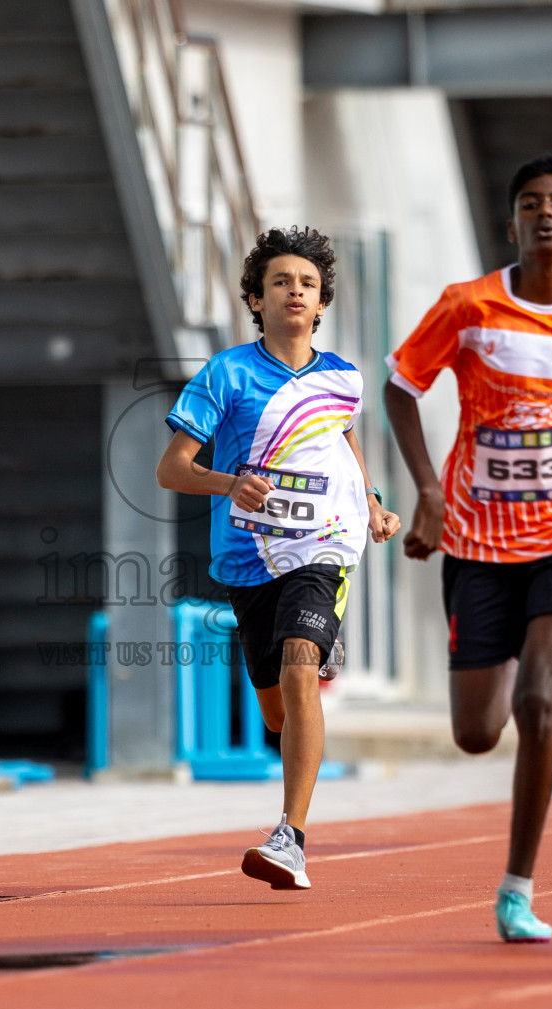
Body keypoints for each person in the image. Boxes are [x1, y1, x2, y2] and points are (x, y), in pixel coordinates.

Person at [383, 154, 552, 942]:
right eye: (531, 204)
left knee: (543, 699)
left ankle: (516, 889)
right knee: (476, 734)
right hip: (474, 529)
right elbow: (402, 388)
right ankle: (500, 652)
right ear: (512, 225)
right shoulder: (466, 307)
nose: (545, 214)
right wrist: (429, 494)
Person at [157, 226, 401, 890]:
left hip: (323, 545)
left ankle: (290, 836)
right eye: (280, 282)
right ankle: (310, 664)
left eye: (308, 284)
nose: (295, 292)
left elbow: (342, 446)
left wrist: (374, 502)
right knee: (276, 712)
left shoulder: (343, 378)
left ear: (321, 304)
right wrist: (228, 482)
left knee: (301, 670)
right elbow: (172, 470)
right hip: (246, 555)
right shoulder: (226, 373)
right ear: (256, 299)